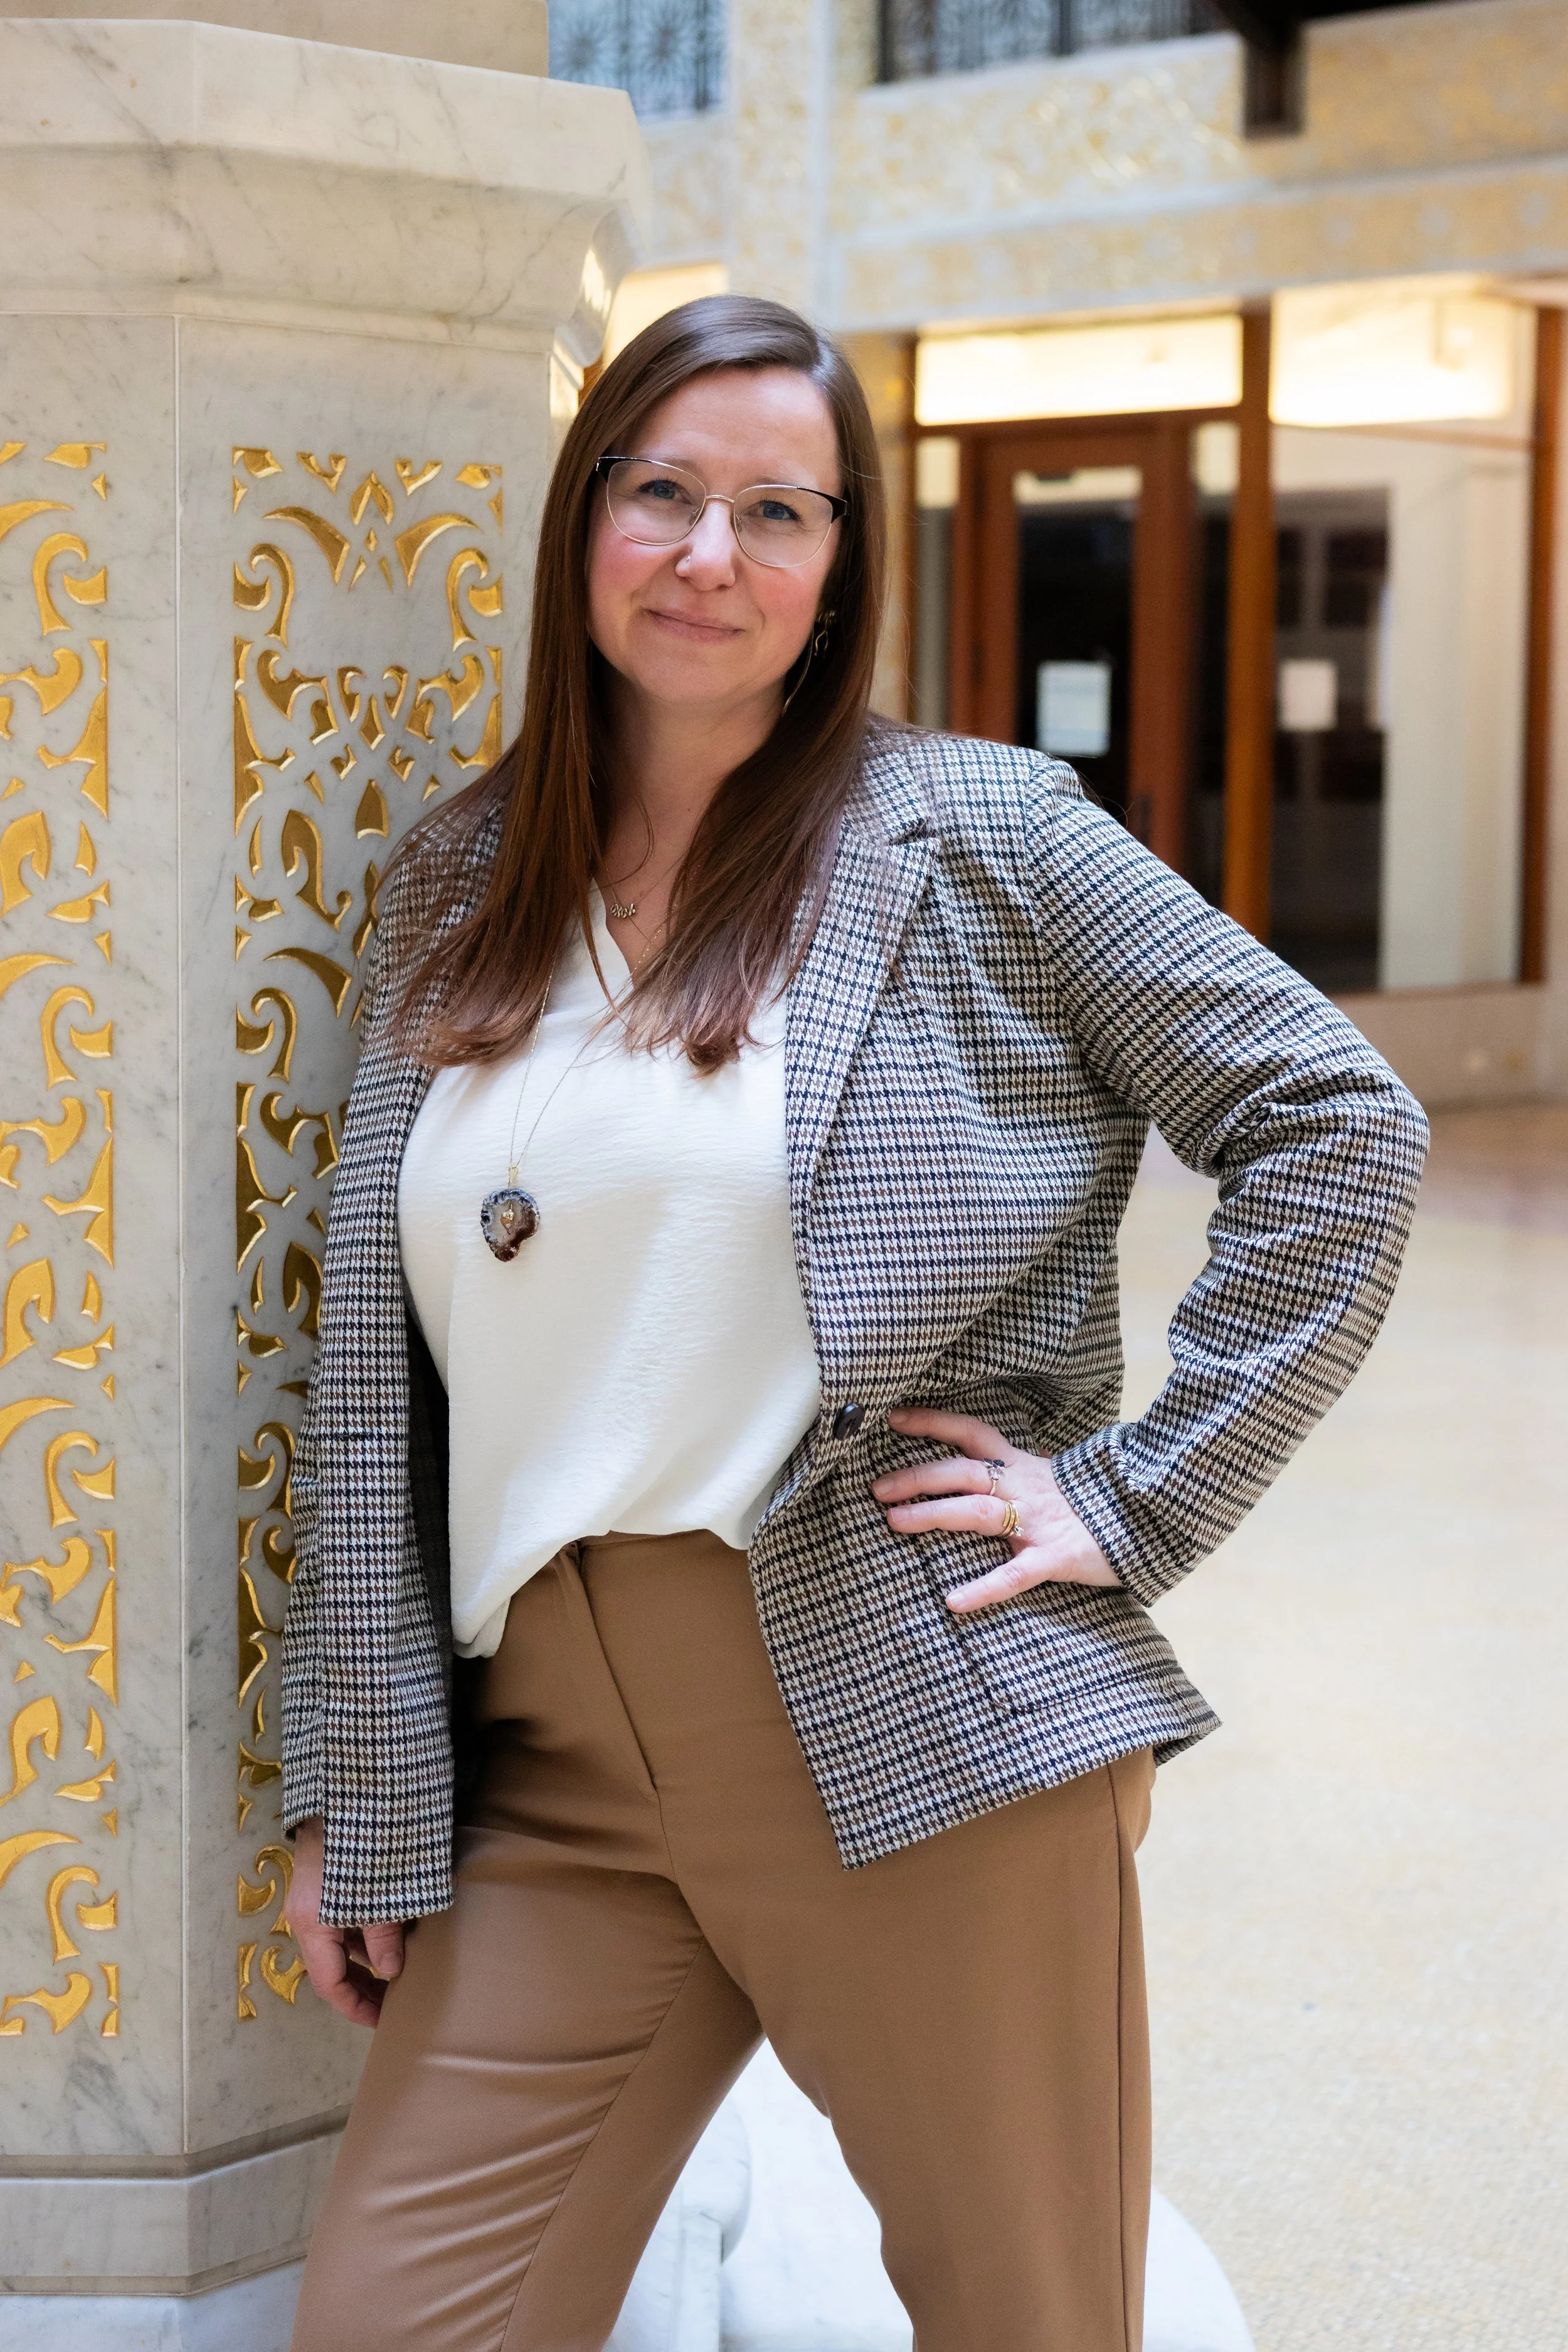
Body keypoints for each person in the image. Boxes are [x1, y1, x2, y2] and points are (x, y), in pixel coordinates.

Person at [281, 294, 1426, 2352]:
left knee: (1027, 2321)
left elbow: (1332, 1118)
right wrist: (358, 1781)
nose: (710, 552)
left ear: (836, 572)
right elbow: (376, 1387)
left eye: (776, 509)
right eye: (662, 492)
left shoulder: (978, 833)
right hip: (544, 1768)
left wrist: (1134, 1498)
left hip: (901, 1716)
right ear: (583, 527)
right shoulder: (458, 874)